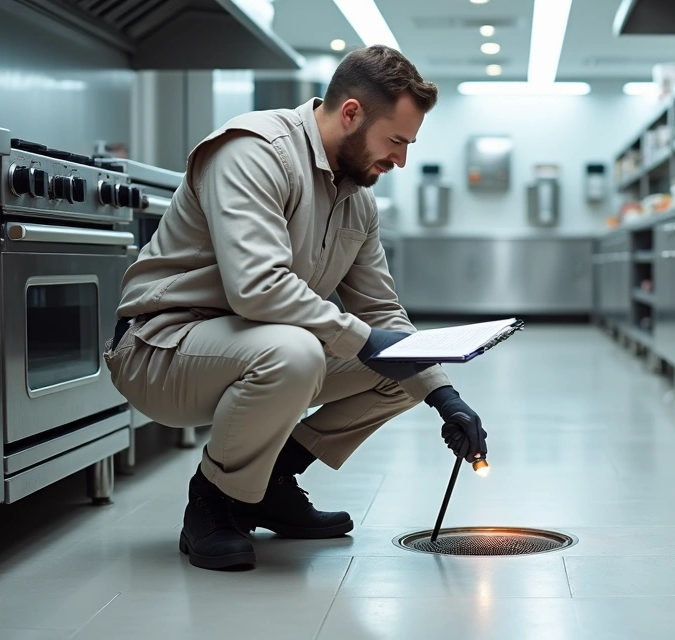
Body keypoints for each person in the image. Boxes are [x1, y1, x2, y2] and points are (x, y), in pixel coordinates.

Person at [102, 45, 487, 571]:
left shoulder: (357, 198)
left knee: (399, 367)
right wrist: (365, 341)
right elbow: (257, 288)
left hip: (250, 347)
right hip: (162, 348)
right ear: (351, 113)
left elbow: (383, 314)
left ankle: (269, 485)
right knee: (297, 351)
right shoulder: (255, 151)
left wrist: (446, 397)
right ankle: (212, 503)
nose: (402, 160)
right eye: (396, 141)